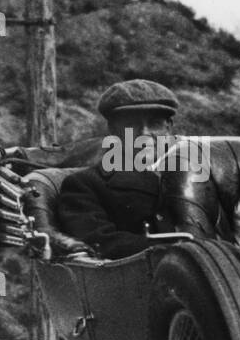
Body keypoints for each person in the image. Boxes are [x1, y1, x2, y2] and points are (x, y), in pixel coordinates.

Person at [57, 79, 184, 258]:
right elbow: (100, 242)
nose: (144, 133)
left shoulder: (194, 176)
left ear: (169, 127)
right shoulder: (85, 185)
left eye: (154, 124)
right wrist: (180, 251)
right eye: (132, 124)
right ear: (114, 130)